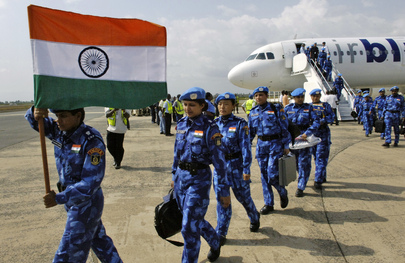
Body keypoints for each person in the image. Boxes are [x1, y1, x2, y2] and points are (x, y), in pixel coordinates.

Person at [25, 107, 122, 263]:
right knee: (101, 244)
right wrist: (36, 110)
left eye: (63, 116)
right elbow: (36, 121)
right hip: (72, 201)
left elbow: (91, 182)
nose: (58, 120)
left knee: (68, 254)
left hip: (85, 203)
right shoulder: (59, 131)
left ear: (78, 116)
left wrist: (59, 198)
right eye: (56, 116)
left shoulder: (91, 140)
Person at [171, 87, 230, 263]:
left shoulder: (210, 128)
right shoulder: (181, 124)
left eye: (192, 105)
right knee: (192, 219)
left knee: (189, 227)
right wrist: (174, 176)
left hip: (199, 180)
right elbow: (176, 154)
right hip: (182, 179)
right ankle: (215, 241)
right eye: (185, 105)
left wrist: (224, 191)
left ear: (202, 106)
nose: (188, 108)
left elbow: (220, 163)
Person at [213, 92, 260, 243]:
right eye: (220, 104)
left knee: (244, 198)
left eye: (226, 104)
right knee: (223, 202)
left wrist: (246, 169)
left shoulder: (240, 123)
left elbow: (246, 147)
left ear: (233, 106)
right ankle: (221, 232)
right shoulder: (214, 124)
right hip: (220, 169)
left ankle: (254, 217)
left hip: (237, 167)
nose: (222, 107)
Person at [249, 86, 291, 214]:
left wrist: (286, 145)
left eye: (261, 95)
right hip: (261, 145)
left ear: (266, 96)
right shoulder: (253, 111)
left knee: (272, 174)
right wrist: (245, 146)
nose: (258, 98)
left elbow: (284, 127)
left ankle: (282, 192)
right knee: (264, 176)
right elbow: (251, 132)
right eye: (256, 95)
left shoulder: (276, 108)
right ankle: (269, 203)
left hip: (275, 144)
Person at [284, 88, 320, 197]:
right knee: (295, 164)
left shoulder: (309, 108)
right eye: (298, 97)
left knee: (304, 163)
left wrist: (308, 133)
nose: (300, 99)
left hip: (304, 138)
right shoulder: (288, 109)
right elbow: (283, 123)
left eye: (302, 97)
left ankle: (301, 186)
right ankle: (302, 178)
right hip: (292, 139)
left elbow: (316, 122)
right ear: (294, 98)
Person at [310, 89, 335, 188]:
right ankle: (322, 175)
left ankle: (318, 180)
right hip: (312, 135)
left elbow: (332, 117)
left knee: (321, 157)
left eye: (317, 96)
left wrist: (323, 121)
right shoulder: (308, 106)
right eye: (313, 96)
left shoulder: (325, 106)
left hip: (323, 134)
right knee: (316, 157)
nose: (315, 98)